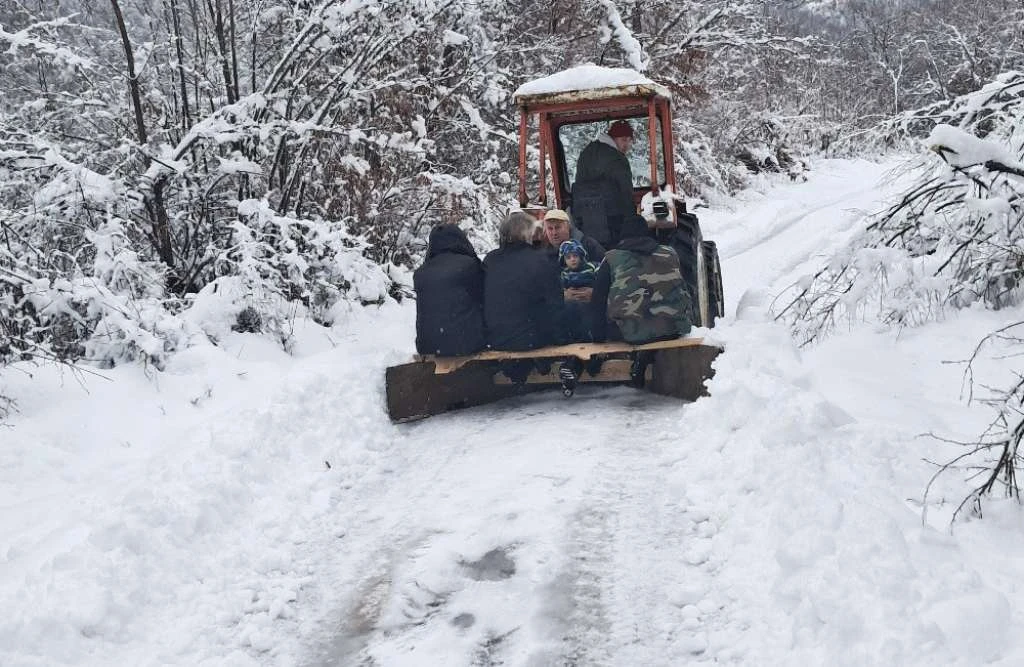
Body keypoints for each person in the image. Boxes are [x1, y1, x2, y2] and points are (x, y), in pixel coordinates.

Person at [590, 213, 694, 345]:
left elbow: (597, 301)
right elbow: (683, 290)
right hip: (673, 330)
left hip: (629, 334)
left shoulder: (611, 259)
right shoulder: (670, 253)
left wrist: (598, 337)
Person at [483, 211, 565, 351]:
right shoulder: (540, 259)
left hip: (496, 339)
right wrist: (562, 339)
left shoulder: (490, 260)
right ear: (527, 233)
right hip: (532, 338)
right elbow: (555, 302)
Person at [413, 224, 486, 356]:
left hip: (427, 345)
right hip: (465, 343)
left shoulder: (421, 272)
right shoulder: (470, 266)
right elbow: (485, 298)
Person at [572, 120, 637, 248]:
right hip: (613, 222)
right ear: (613, 138)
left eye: (629, 140)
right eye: (624, 140)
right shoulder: (617, 159)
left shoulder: (588, 151)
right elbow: (626, 193)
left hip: (585, 221)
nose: (627, 145)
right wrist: (633, 220)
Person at [558, 239, 597, 343]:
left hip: (590, 302)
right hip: (572, 304)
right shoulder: (564, 274)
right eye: (568, 257)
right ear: (564, 260)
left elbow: (599, 282)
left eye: (575, 256)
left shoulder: (592, 268)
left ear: (581, 256)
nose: (572, 259)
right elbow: (561, 289)